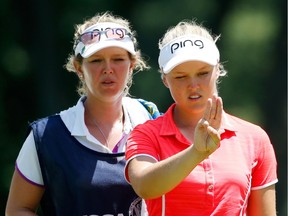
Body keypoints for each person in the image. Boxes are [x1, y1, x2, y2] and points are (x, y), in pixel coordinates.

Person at [5, 11, 160, 216]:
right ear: (79, 67)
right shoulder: (46, 136)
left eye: (118, 59)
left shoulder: (152, 120)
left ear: (132, 65)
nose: (108, 68)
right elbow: (17, 209)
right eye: (96, 60)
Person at [125, 20, 278, 215]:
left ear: (218, 70)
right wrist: (196, 152)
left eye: (203, 73)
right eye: (180, 77)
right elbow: (144, 186)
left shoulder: (254, 138)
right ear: (165, 79)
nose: (193, 85)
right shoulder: (146, 134)